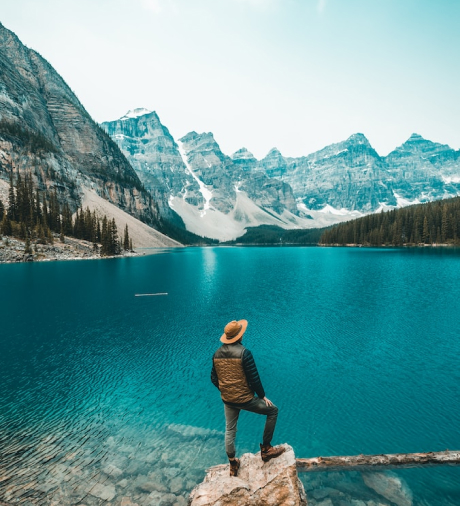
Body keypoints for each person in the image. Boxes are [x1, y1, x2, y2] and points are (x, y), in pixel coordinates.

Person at [211, 319, 285, 477]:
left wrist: (226, 389)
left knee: (230, 430)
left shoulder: (216, 354)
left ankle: (233, 464)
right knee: (273, 411)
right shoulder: (244, 353)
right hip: (246, 399)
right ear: (239, 336)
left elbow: (213, 378)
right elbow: (254, 379)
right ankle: (266, 449)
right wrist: (262, 396)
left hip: (228, 400)